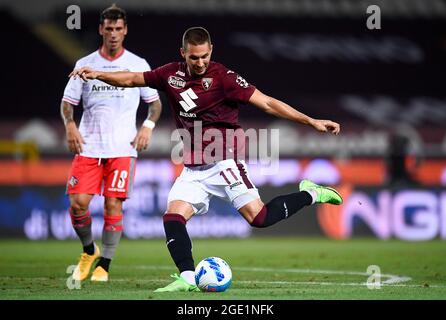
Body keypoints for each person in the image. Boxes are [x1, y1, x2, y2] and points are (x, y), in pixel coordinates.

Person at [70, 27, 342, 291]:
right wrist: (98, 74)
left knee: (260, 219)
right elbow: (131, 79)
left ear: (211, 50)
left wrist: (311, 121)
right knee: (173, 218)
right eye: (193, 57)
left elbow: (268, 103)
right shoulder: (169, 74)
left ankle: (311, 194)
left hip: (225, 162)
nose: (200, 62)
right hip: (194, 169)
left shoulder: (224, 78)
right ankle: (188, 278)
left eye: (204, 56)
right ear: (183, 53)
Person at [61, 5, 161, 282]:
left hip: (122, 148)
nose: (114, 34)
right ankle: (88, 250)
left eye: (118, 29)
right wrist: (70, 125)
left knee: (113, 207)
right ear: (101, 30)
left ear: (125, 30)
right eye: (109, 28)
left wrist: (147, 127)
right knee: (78, 203)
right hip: (89, 146)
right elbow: (68, 103)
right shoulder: (84, 64)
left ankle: (105, 263)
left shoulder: (138, 65)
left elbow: (154, 105)